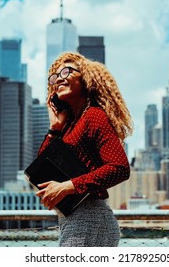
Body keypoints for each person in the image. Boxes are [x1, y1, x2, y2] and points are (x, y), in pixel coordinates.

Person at [35, 52, 133, 247]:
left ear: (85, 77)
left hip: (89, 217)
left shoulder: (94, 116)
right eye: (54, 76)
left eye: (66, 71)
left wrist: (67, 186)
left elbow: (120, 167)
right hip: (71, 218)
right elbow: (41, 170)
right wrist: (54, 129)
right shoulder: (69, 125)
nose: (59, 78)